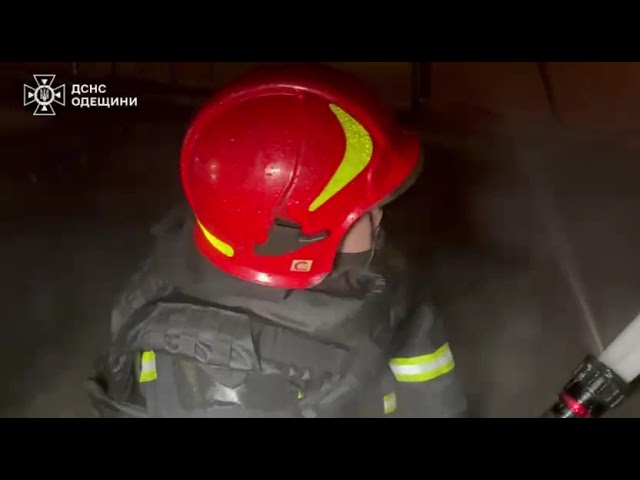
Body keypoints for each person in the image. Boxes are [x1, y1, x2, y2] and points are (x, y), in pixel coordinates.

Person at [86, 63, 468, 418]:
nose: (380, 217)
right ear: (299, 245)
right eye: (363, 210)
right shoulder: (220, 382)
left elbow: (429, 384)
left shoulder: (373, 275)